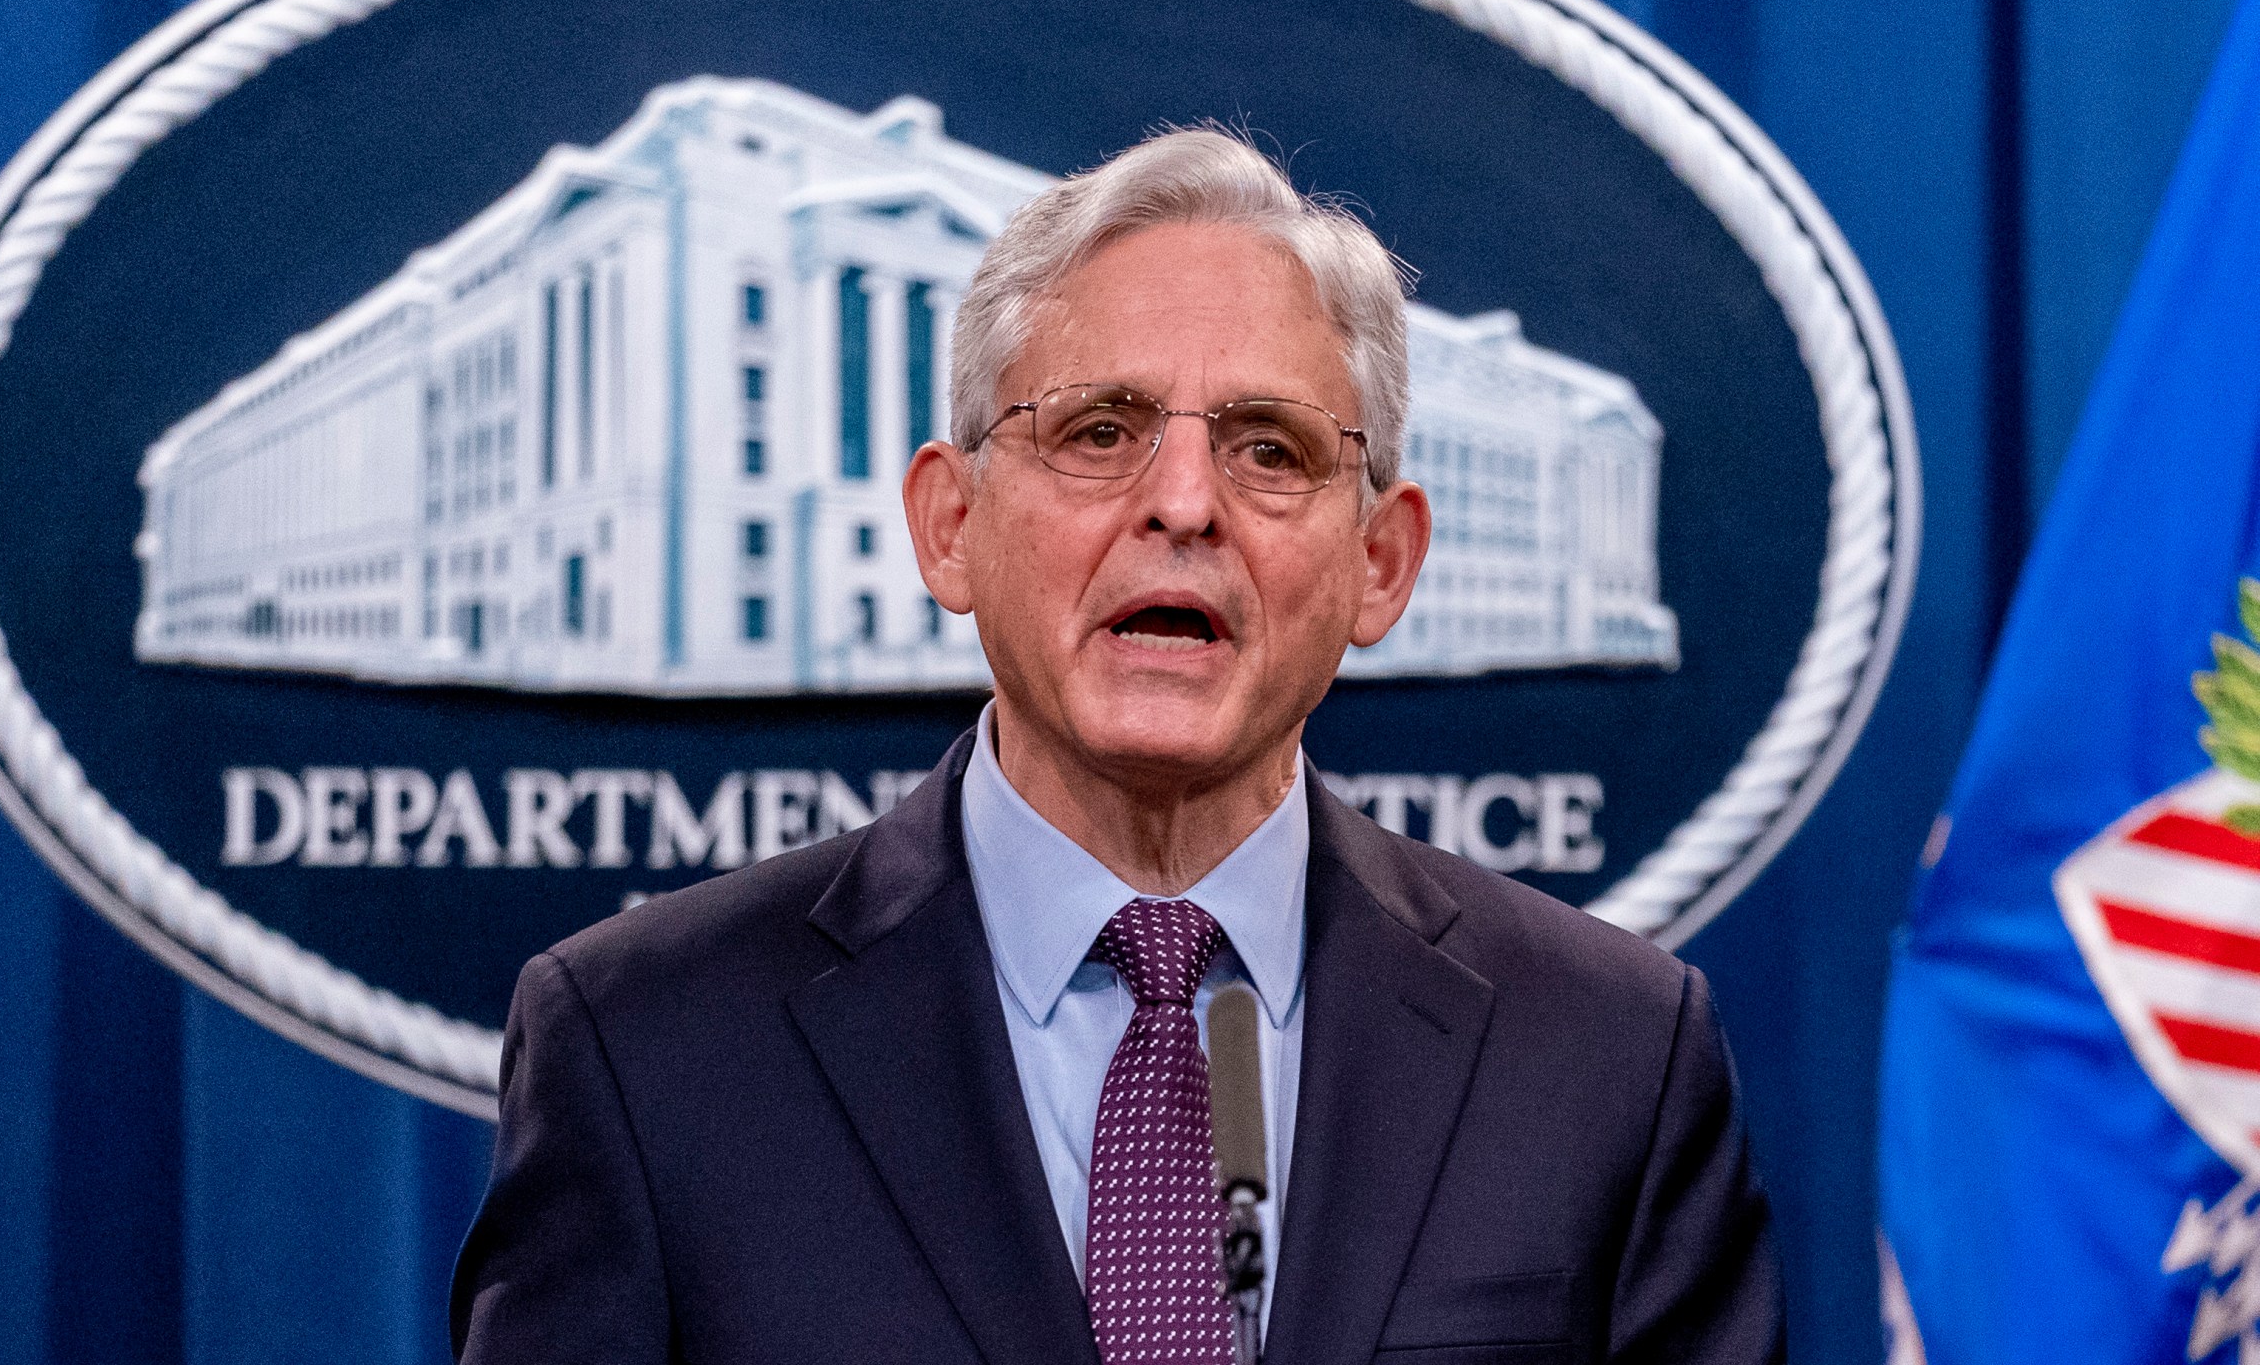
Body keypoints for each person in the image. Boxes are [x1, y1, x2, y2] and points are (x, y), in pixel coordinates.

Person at [450, 127, 1783, 1365]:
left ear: (1381, 562)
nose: (1186, 504)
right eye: (1100, 432)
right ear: (950, 524)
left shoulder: (1610, 1056)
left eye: (1271, 449)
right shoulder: (645, 1047)